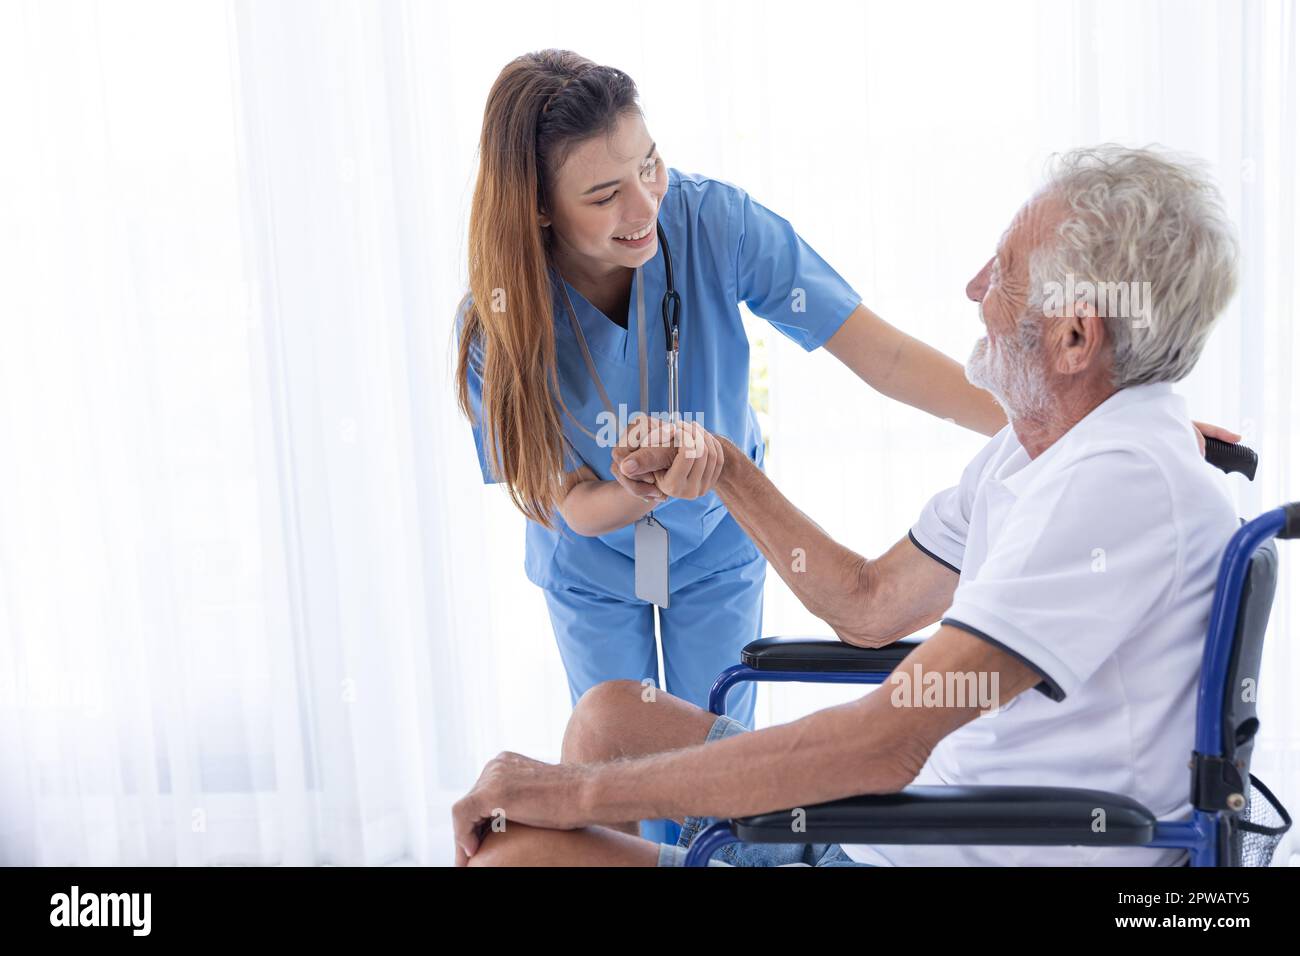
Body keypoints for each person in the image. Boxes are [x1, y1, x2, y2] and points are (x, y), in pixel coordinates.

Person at [453, 145, 1243, 867]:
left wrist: (573, 794)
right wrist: (724, 466)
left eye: (1003, 272)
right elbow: (868, 607)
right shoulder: (1037, 448)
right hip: (893, 813)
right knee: (610, 717)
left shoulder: (1112, 486)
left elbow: (884, 744)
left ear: (1075, 339)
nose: (973, 289)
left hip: (920, 842)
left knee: (518, 853)